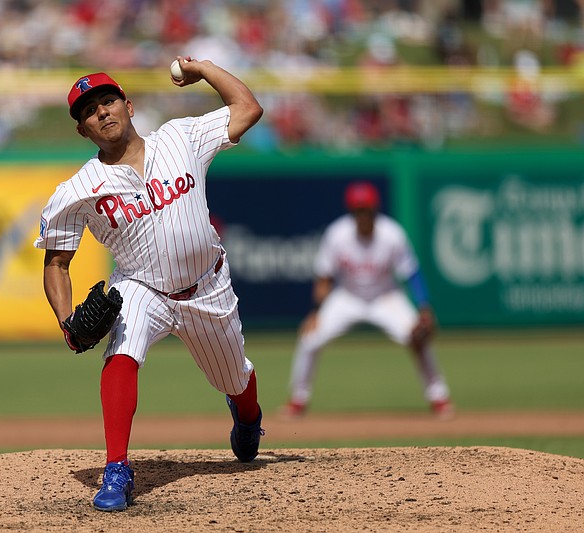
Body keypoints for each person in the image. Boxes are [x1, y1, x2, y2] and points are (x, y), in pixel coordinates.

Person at [34, 58, 265, 512]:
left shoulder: (180, 137)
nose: (101, 112)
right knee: (122, 349)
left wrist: (204, 69)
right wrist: (66, 323)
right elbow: (56, 263)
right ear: (83, 131)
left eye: (108, 101)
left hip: (207, 288)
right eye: (89, 112)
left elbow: (248, 108)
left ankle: (248, 415)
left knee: (234, 377)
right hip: (141, 287)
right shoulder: (78, 189)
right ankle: (117, 468)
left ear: (129, 105)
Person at [281, 181, 454, 420]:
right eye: (358, 210)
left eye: (366, 210)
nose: (362, 215)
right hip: (348, 297)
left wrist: (424, 307)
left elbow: (412, 274)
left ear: (375, 210)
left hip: (385, 296)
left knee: (418, 335)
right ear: (351, 212)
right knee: (310, 337)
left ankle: (439, 396)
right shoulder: (337, 234)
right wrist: (316, 311)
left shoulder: (392, 234)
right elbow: (324, 278)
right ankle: (298, 400)